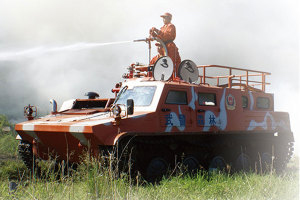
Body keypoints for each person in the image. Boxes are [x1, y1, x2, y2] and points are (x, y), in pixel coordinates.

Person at [149, 12, 181, 77]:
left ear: (169, 19)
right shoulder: (163, 27)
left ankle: (172, 77)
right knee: (153, 61)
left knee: (169, 63)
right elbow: (160, 37)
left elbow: (167, 36)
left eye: (164, 18)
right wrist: (153, 34)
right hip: (162, 49)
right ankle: (151, 76)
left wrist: (157, 31)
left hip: (169, 48)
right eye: (163, 18)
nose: (163, 19)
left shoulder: (171, 26)